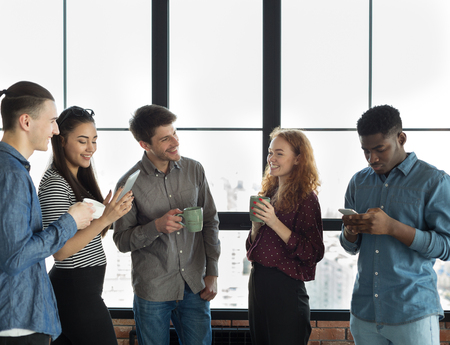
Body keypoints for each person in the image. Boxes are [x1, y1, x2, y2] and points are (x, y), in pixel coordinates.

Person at [340, 105, 450, 345]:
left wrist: (392, 227)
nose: (372, 159)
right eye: (366, 151)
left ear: (401, 138)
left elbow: (447, 246)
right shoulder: (358, 182)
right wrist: (350, 232)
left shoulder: (434, 181)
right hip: (364, 313)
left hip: (413, 313)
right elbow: (350, 247)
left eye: (380, 149)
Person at [113, 104, 221, 345]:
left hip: (195, 285)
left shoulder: (194, 170)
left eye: (175, 132)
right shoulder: (128, 184)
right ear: (145, 145)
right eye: (165, 139)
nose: (175, 141)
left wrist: (212, 272)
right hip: (153, 290)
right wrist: (156, 227)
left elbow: (210, 221)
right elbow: (121, 241)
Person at [0, 82, 94, 344]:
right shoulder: (11, 175)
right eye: (52, 121)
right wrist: (71, 221)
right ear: (26, 121)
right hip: (18, 325)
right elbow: (15, 257)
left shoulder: (14, 170)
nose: (55, 130)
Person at [38, 106, 134, 345]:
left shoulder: (77, 179)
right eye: (83, 141)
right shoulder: (55, 185)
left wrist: (107, 213)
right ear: (61, 141)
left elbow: (89, 237)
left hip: (82, 289)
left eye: (94, 140)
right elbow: (59, 251)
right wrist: (105, 219)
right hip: (74, 290)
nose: (91, 148)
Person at [246, 127, 325, 345]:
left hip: (286, 288)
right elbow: (253, 246)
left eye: (279, 153)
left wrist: (274, 222)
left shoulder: (307, 198)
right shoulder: (269, 193)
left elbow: (314, 252)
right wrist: (255, 227)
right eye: (270, 152)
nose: (271, 158)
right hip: (258, 283)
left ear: (298, 158)